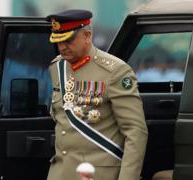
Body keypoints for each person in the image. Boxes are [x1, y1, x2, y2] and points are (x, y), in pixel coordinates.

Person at [46, 9, 148, 180]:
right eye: (58, 41)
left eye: (68, 40)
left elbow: (135, 131)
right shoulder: (57, 68)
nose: (62, 47)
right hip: (60, 173)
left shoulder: (115, 71)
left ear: (87, 35)